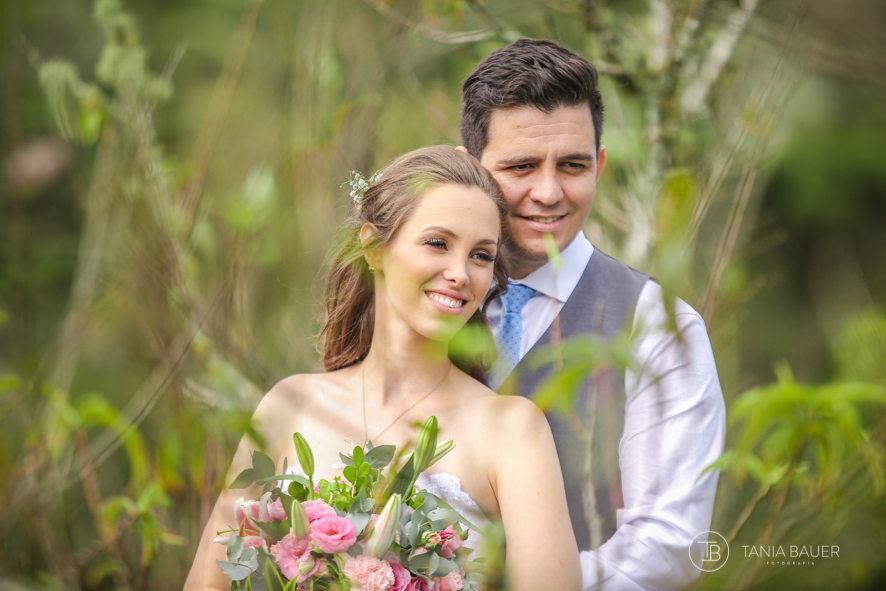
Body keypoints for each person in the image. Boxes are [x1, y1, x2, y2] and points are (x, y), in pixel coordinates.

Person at [182, 146, 581, 591]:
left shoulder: (511, 430)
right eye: (438, 243)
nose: (460, 273)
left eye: (481, 255)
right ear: (373, 247)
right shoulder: (289, 404)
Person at [458, 39, 726, 590]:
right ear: (470, 171)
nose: (549, 192)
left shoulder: (659, 327)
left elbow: (670, 545)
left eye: (573, 165)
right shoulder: (422, 308)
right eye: (522, 166)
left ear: (599, 166)